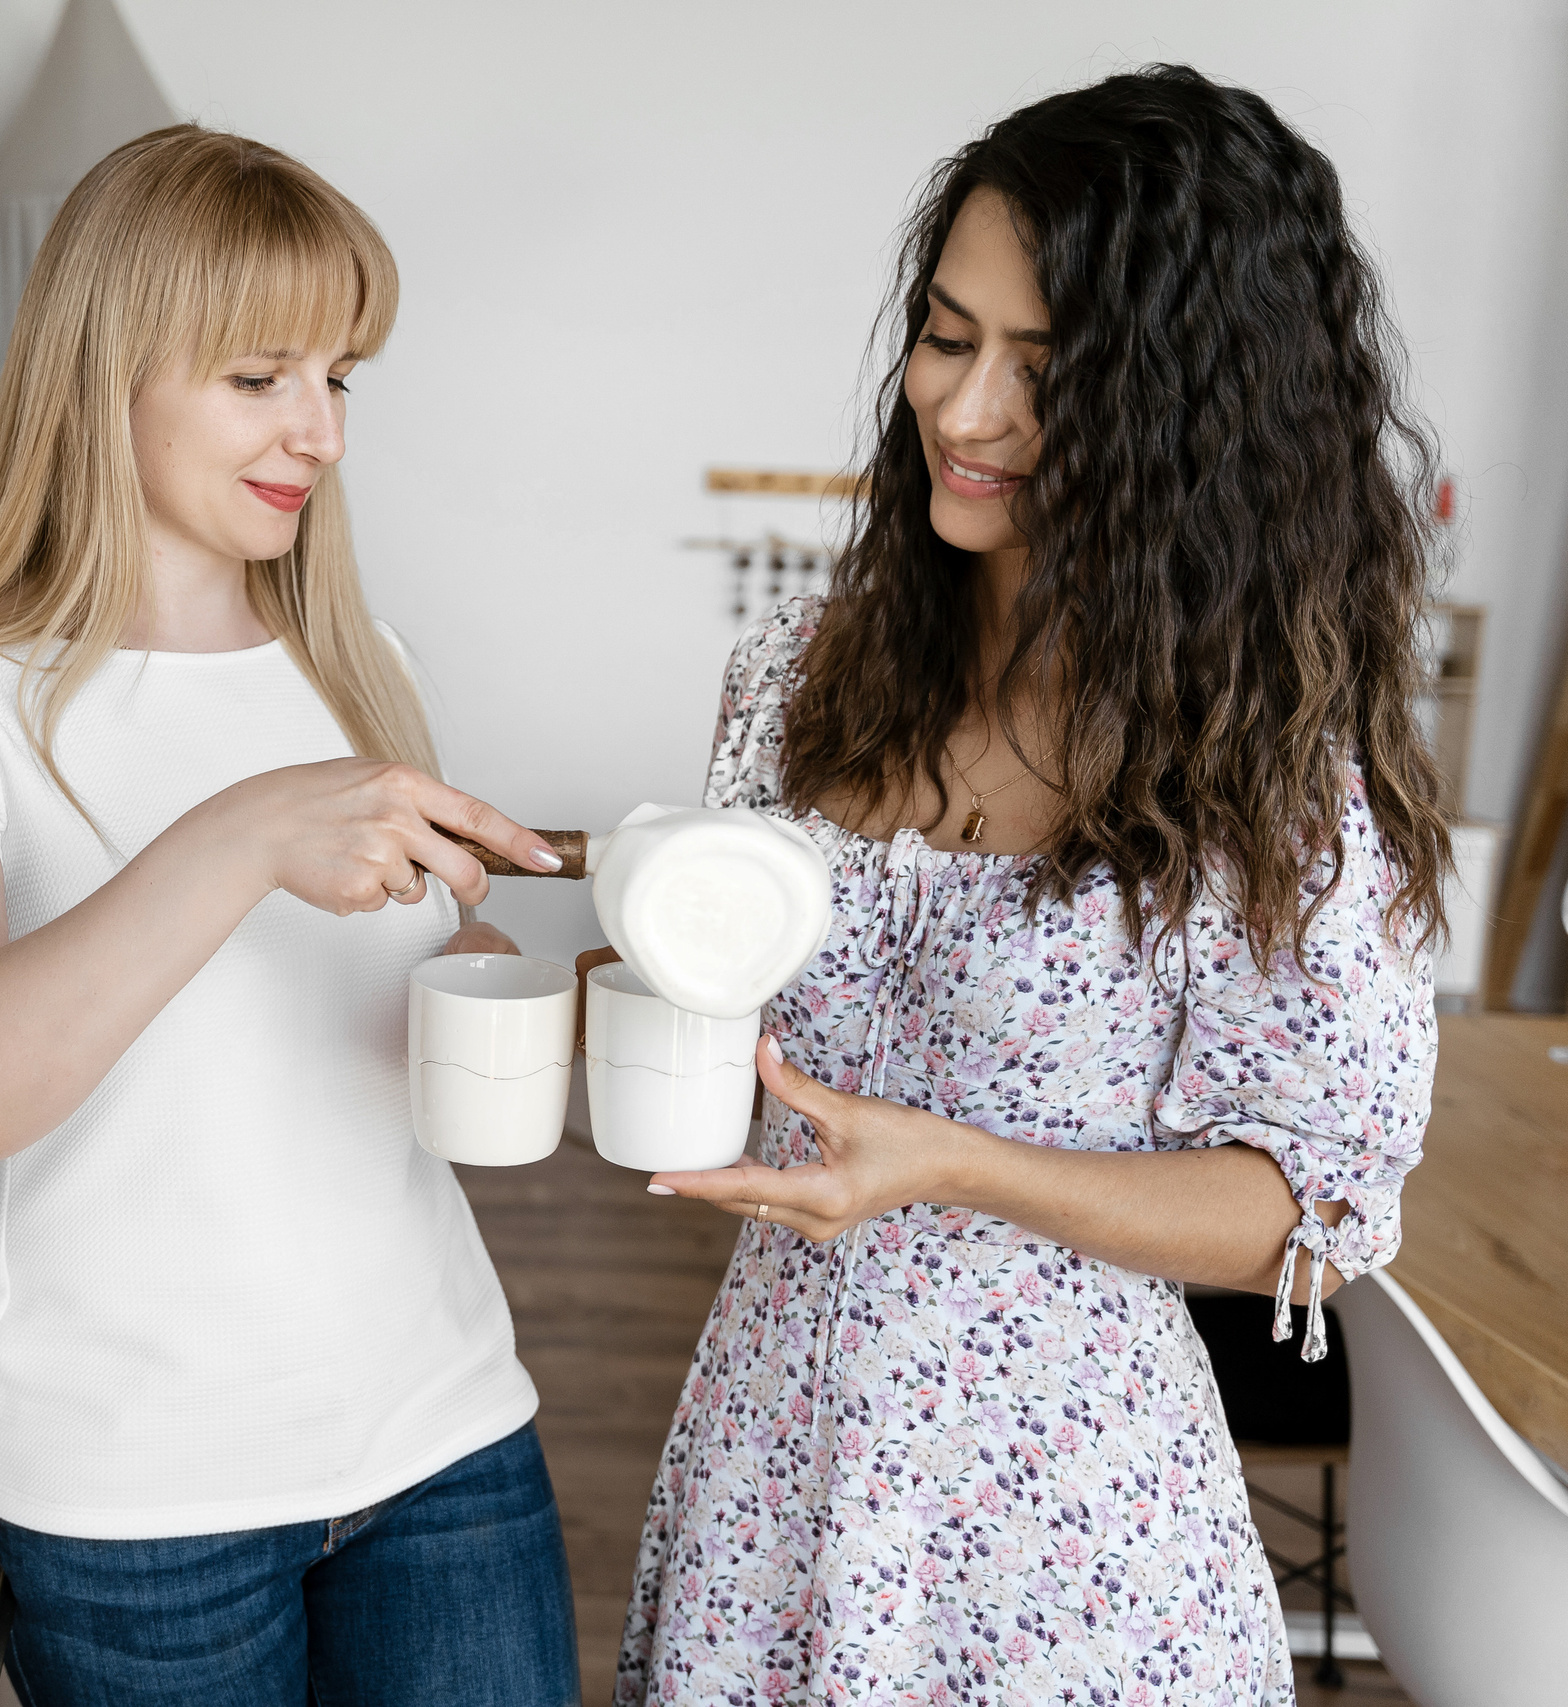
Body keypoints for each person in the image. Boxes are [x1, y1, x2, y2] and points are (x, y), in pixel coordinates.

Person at [615, 66, 1445, 1705]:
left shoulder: (1264, 774)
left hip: (1073, 1537)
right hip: (772, 1463)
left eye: (1048, 370)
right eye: (946, 335)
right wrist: (611, 972)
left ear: (1188, 422)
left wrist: (956, 1169)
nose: (966, 410)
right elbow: (731, 1008)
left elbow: (1317, 1209)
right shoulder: (793, 675)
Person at [0, 126, 580, 1707]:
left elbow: (333, 1026)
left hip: (444, 1430)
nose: (322, 429)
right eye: (262, 377)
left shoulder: (363, 662)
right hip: (142, 1504)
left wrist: (483, 986)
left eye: (341, 376)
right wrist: (235, 837)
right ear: (110, 376)